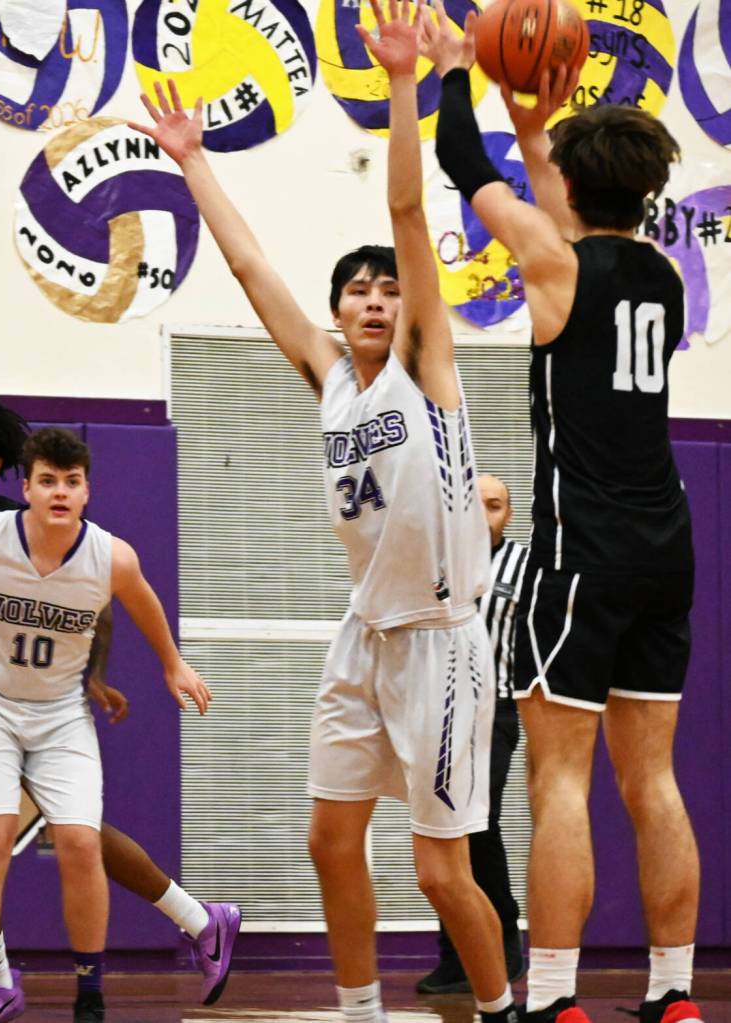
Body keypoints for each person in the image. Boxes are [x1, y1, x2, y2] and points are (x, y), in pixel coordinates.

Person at [128, 4, 515, 1021]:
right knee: (326, 839)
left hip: (439, 640)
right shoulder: (332, 378)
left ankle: (508, 1008)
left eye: (389, 290)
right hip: (364, 633)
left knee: (440, 875)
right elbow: (254, 270)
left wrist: (398, 88)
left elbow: (405, 219)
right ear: (338, 313)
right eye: (358, 293)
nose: (378, 299)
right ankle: (357, 1011)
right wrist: (192, 164)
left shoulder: (427, 371)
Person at [421, 8, 701, 1023]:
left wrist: (461, 76)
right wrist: (528, 111)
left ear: (578, 191)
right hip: (665, 547)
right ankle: (673, 993)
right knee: (653, 783)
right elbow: (563, 210)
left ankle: (553, 998)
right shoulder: (661, 278)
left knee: (559, 782)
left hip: (579, 552)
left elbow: (461, 161)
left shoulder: (556, 268)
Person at [0, 424, 231, 1023]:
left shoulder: (109, 556)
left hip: (57, 711)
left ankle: (89, 995)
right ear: (29, 488)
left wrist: (173, 664)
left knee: (80, 841)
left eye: (72, 482)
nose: (60, 492)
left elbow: (137, 603)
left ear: (87, 491)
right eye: (48, 481)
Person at [417, 474, 526, 994]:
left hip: (499, 710)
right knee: (443, 830)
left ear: (509, 514)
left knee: (478, 825)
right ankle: (457, 956)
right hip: (437, 707)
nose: (485, 514)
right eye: (476, 503)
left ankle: (504, 943)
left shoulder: (526, 566)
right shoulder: (435, 559)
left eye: (497, 505)